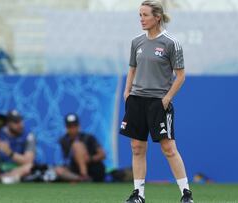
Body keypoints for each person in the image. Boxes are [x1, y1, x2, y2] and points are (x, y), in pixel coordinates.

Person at [119, 1, 194, 202]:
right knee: (137, 147)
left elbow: (181, 76)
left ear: (157, 17)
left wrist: (167, 98)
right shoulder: (137, 42)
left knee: (168, 148)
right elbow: (132, 69)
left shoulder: (171, 43)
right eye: (140, 15)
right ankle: (138, 194)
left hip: (157, 102)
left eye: (145, 15)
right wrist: (127, 92)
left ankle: (186, 193)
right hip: (136, 100)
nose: (141, 19)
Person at [55, 113, 106, 182]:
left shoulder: (89, 137)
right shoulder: (64, 140)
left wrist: (90, 159)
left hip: (93, 168)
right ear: (66, 127)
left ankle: (84, 175)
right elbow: (68, 159)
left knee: (77, 145)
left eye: (75, 126)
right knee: (58, 170)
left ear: (78, 126)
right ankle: (81, 179)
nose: (72, 129)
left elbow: (102, 154)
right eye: (70, 126)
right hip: (75, 169)